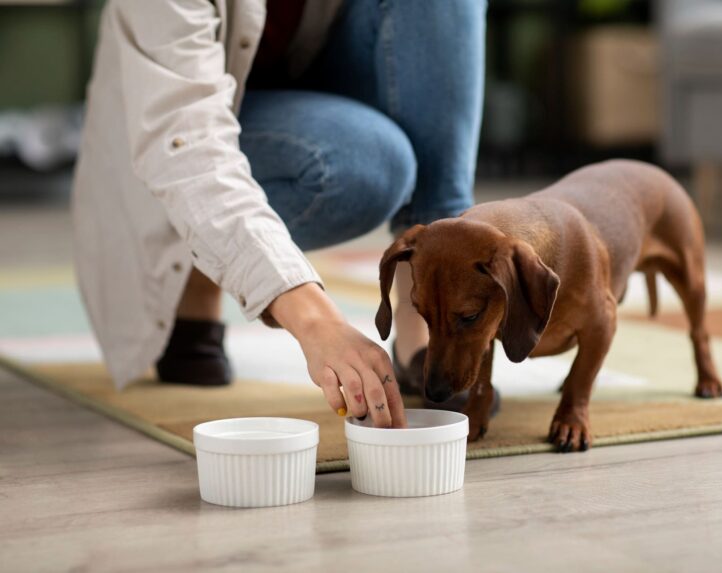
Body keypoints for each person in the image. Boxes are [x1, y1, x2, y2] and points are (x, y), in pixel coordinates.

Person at [72, 0, 486, 428]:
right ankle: (193, 274)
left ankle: (424, 322)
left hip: (314, 85)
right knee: (369, 165)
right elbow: (187, 144)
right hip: (181, 134)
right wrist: (315, 320)